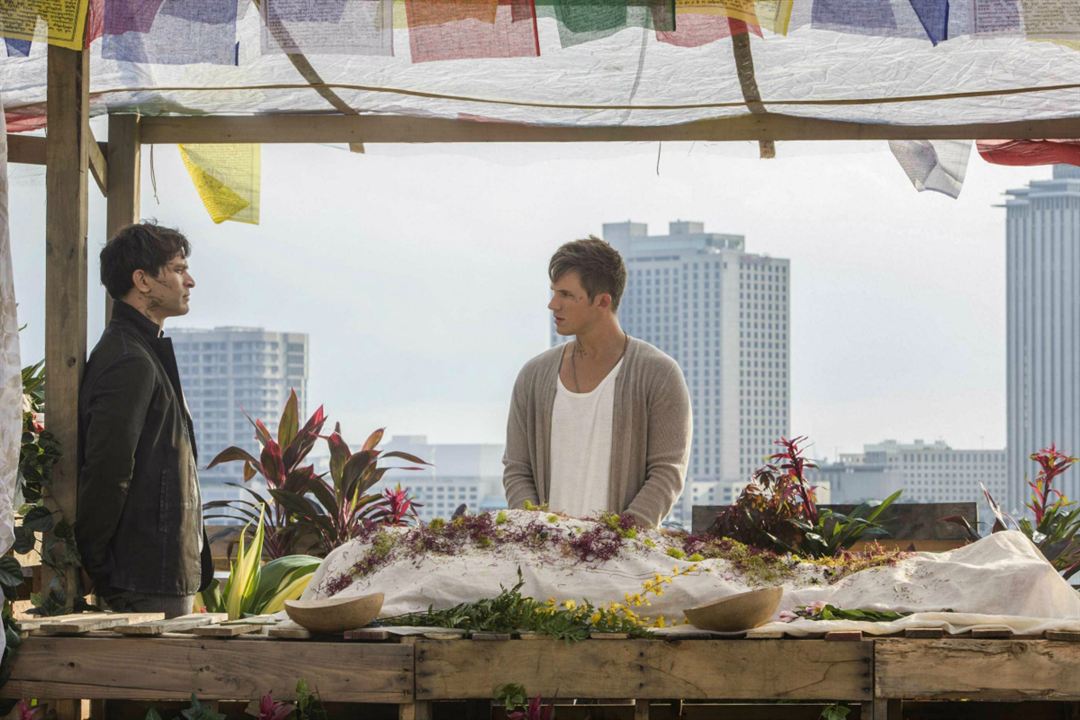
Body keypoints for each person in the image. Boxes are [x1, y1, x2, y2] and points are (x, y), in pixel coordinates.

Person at [503, 236, 692, 528]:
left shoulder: (658, 373)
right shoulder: (533, 376)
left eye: (566, 295)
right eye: (554, 292)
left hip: (620, 563)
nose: (553, 304)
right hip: (542, 560)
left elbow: (667, 473)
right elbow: (517, 469)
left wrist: (617, 539)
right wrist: (536, 530)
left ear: (602, 301)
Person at [76, 222, 212, 618]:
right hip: (143, 576)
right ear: (143, 281)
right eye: (177, 268)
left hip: (155, 572)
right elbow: (108, 468)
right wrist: (96, 562)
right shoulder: (129, 358)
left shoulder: (140, 350)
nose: (190, 280)